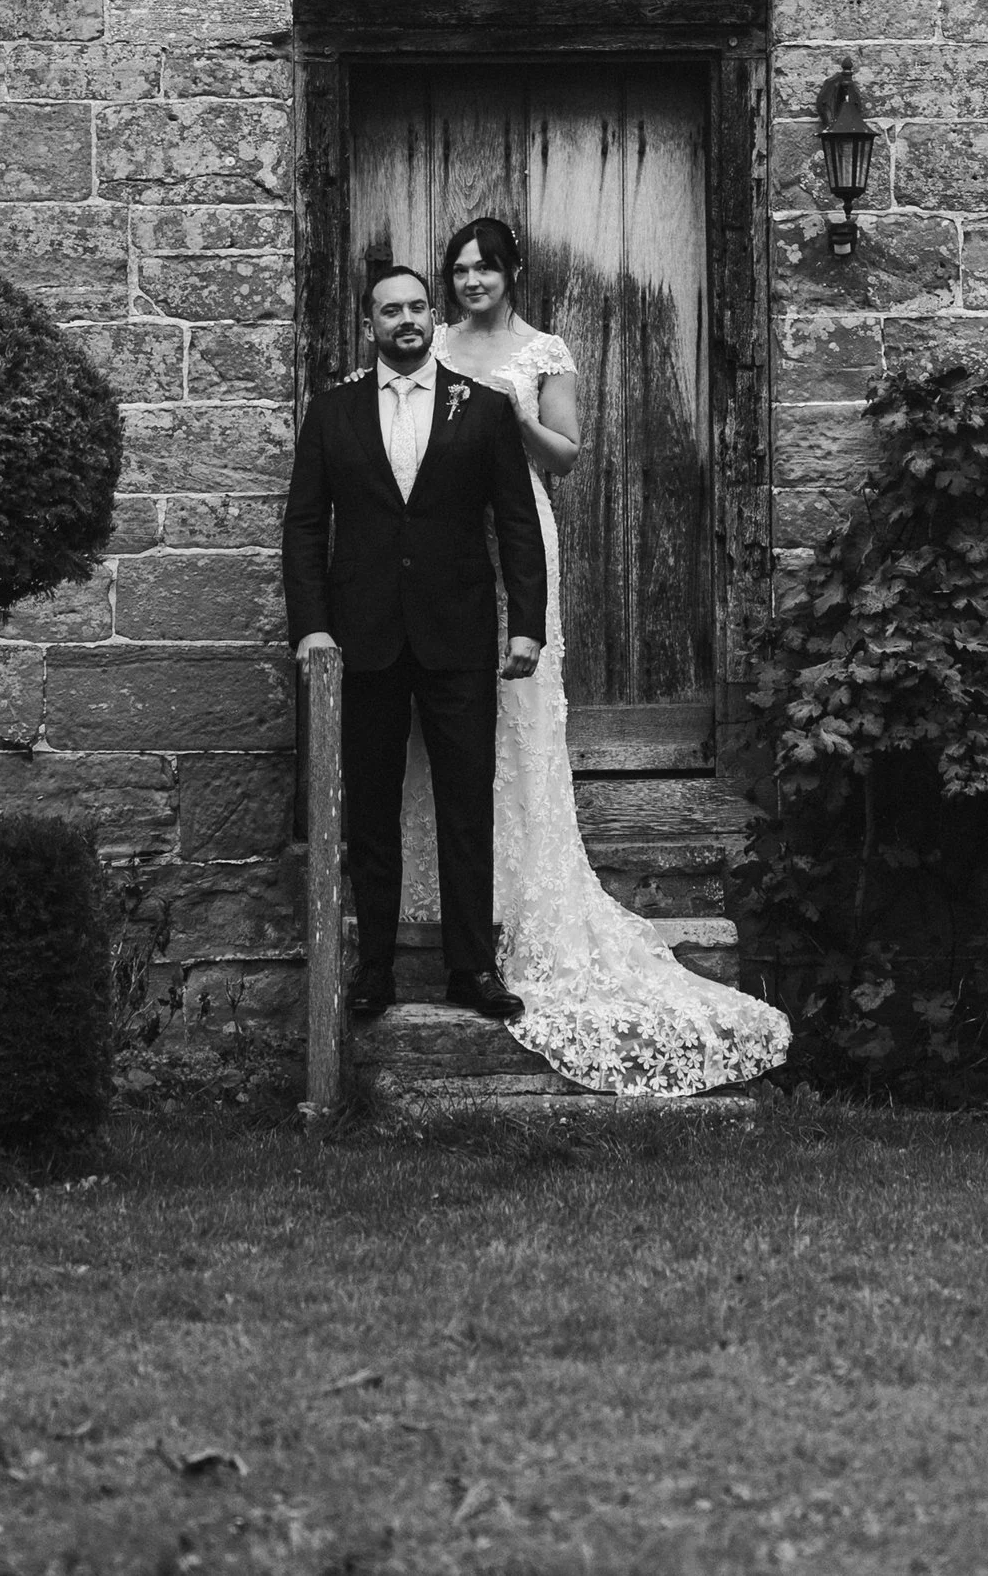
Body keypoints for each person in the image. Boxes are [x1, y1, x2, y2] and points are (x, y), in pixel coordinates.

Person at [435, 213, 791, 1098]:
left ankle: (520, 885)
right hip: (439, 544)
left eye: (484, 269)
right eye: (459, 269)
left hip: (515, 539)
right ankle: (432, 886)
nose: (470, 281)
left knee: (513, 714)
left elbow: (565, 455)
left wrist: (511, 415)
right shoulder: (428, 341)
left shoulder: (542, 352)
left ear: (513, 273)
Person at [280, 256, 547, 1026]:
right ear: (370, 323)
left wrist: (525, 622)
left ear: (433, 319)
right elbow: (304, 528)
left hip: (457, 636)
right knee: (369, 808)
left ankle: (472, 968)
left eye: (417, 308)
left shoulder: (487, 409)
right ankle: (374, 971)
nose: (406, 320)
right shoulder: (332, 413)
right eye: (390, 310)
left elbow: (517, 524)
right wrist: (312, 627)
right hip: (360, 641)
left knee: (466, 805)